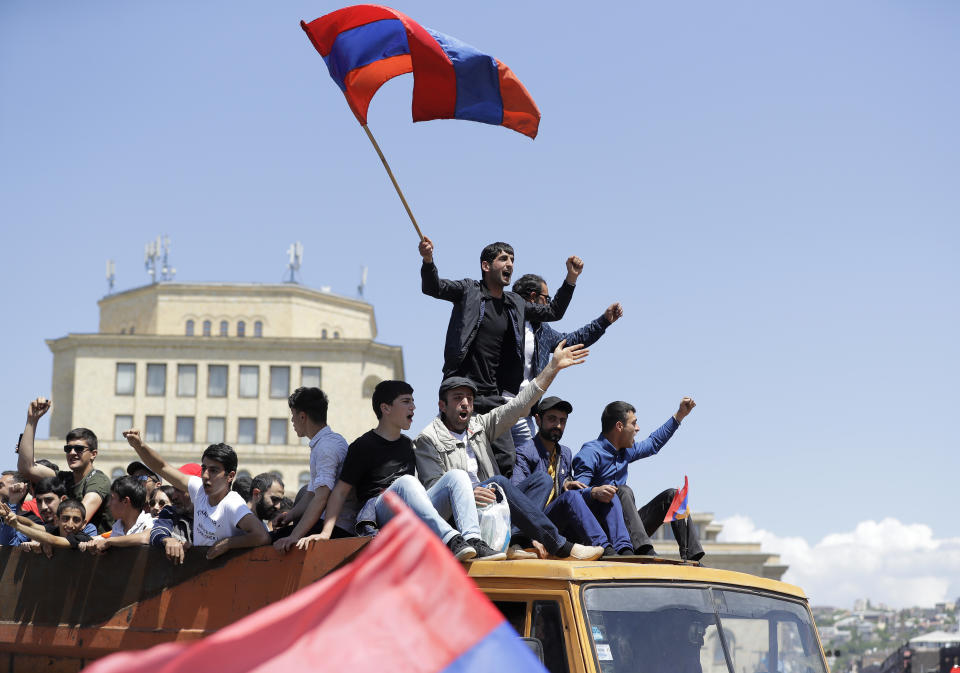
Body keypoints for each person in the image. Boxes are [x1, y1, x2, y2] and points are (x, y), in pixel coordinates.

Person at [415, 343, 605, 561]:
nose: (465, 403)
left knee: (542, 480)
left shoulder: (480, 425)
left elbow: (518, 406)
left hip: (491, 507)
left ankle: (513, 541)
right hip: (459, 518)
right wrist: (466, 493)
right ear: (442, 405)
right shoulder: (427, 438)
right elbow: (433, 490)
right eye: (458, 398)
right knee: (500, 482)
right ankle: (560, 545)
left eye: (469, 398)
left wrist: (552, 368)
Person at [419, 237, 584, 476]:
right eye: (503, 259)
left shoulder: (515, 302)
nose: (510, 264)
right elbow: (433, 287)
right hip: (464, 391)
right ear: (486, 266)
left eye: (513, 260)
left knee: (507, 460)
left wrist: (571, 279)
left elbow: (553, 311)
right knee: (463, 457)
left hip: (495, 397)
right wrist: (427, 260)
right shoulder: (468, 290)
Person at [317, 380, 504, 561]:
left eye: (413, 401)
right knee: (407, 482)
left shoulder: (408, 444)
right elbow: (340, 492)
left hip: (412, 516)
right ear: (386, 408)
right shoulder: (362, 446)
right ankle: (451, 540)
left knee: (458, 475)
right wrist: (326, 533)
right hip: (383, 515)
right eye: (406, 401)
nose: (413, 407)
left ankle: (473, 539)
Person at [572, 398, 704, 560]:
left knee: (674, 495)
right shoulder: (590, 453)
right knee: (622, 491)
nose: (638, 428)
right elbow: (576, 497)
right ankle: (644, 550)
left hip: (628, 531)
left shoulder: (625, 451)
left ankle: (692, 557)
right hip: (602, 534)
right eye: (634, 423)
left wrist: (679, 416)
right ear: (619, 426)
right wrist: (594, 491)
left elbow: (653, 443)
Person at [509, 272, 624, 446]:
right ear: (533, 297)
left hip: (524, 415)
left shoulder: (543, 331)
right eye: (546, 299)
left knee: (527, 465)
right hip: (496, 407)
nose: (548, 304)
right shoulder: (504, 322)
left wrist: (604, 321)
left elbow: (572, 340)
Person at [512, 397, 634, 556]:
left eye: (562, 421)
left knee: (608, 494)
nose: (557, 425)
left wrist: (573, 485)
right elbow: (516, 497)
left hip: (559, 525)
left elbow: (566, 495)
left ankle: (625, 550)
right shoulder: (525, 452)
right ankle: (604, 549)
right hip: (535, 525)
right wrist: (528, 536)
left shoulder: (565, 453)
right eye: (552, 419)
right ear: (537, 420)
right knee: (566, 494)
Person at [122, 430, 269, 559]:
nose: (205, 475)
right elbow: (162, 467)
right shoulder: (199, 489)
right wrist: (139, 445)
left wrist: (227, 544)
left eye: (213, 470)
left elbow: (262, 536)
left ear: (230, 476)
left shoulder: (232, 504)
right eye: (204, 468)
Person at [274, 387, 357, 552]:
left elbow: (321, 498)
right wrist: (290, 516)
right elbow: (311, 494)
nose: (292, 422)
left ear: (302, 416)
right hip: (324, 523)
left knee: (266, 541)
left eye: (293, 416)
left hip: (337, 530)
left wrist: (294, 536)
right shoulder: (325, 443)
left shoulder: (326, 448)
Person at [17, 397, 113, 533]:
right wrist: (32, 420)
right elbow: (27, 468)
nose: (72, 453)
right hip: (67, 548)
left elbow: (77, 519)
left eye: (79, 449)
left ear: (93, 454)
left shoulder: (98, 480)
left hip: (98, 551)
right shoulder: (64, 478)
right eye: (68, 449)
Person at [82, 476, 153, 553]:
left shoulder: (150, 522)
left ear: (125, 501)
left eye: (112, 498)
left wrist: (109, 541)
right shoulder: (117, 527)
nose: (108, 504)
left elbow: (145, 537)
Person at [0, 499, 93, 554]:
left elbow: (52, 540)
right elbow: (31, 524)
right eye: (65, 518)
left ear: (84, 524)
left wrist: (17, 526)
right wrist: (11, 515)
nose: (70, 524)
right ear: (57, 520)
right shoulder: (55, 530)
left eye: (76, 520)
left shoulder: (82, 538)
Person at [149, 464, 199, 564]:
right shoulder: (169, 512)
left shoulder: (216, 514)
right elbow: (157, 531)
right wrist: (167, 540)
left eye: (180, 490)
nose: (174, 496)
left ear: (197, 490)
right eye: (174, 489)